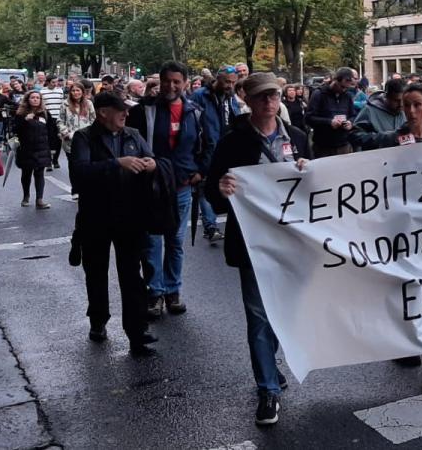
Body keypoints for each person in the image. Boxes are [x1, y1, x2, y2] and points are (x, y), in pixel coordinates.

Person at [208, 73, 311, 426]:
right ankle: (267, 388)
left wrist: (307, 172)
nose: (269, 102)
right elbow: (211, 189)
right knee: (258, 316)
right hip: (253, 243)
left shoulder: (296, 138)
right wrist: (221, 188)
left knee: (285, 313)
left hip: (292, 242)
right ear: (248, 101)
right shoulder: (233, 141)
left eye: (274, 95)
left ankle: (271, 362)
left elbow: (316, 187)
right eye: (262, 96)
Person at [371, 83, 422, 387]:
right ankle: (413, 347)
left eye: (418, 104)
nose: (412, 111)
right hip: (403, 230)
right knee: (407, 290)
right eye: (407, 105)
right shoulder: (394, 140)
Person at [70, 92, 159, 356]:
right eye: (119, 110)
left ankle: (137, 332)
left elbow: (152, 159)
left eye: (126, 109)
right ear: (102, 112)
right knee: (96, 272)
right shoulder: (84, 137)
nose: (125, 114)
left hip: (130, 216)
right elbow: (79, 173)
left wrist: (152, 164)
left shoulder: (133, 134)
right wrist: (116, 164)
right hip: (95, 216)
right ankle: (98, 319)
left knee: (132, 275)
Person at [128, 61, 213, 318]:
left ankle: (173, 291)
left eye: (177, 81)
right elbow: (130, 140)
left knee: (175, 241)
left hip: (183, 186)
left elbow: (209, 144)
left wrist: (200, 172)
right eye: (167, 81)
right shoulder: (146, 111)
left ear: (185, 83)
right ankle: (154, 292)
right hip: (152, 186)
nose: (172, 86)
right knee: (152, 241)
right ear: (160, 82)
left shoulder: (195, 112)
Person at [191, 66, 242, 241]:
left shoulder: (230, 97)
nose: (230, 85)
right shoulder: (200, 96)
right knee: (206, 187)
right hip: (206, 149)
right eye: (227, 81)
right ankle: (210, 226)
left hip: (226, 149)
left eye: (233, 82)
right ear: (217, 79)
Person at [13, 91, 52, 209]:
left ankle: (39, 199)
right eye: (33, 98)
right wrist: (25, 120)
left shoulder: (45, 113)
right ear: (28, 99)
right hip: (26, 148)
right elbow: (15, 129)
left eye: (37, 98)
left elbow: (51, 130)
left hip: (42, 148)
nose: (35, 100)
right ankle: (26, 196)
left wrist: (53, 147)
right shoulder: (21, 114)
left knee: (40, 173)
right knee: (26, 173)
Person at [306, 67, 357, 158]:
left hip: (343, 145)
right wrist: (329, 122)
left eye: (347, 88)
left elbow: (353, 115)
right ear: (335, 80)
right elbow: (309, 118)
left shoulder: (347, 96)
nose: (344, 90)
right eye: (342, 86)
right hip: (323, 147)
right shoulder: (319, 94)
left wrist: (350, 123)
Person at [350, 78, 406, 150]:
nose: (401, 104)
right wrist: (383, 138)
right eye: (396, 100)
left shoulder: (408, 110)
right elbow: (354, 136)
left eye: (404, 100)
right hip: (377, 158)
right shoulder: (369, 110)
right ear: (386, 96)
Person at [41, 76, 66, 170]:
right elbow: (42, 105)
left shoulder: (60, 91)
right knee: (48, 140)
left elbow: (62, 105)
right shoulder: (42, 92)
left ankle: (55, 160)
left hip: (58, 118)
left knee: (58, 139)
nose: (55, 84)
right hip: (48, 118)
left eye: (56, 82)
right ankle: (48, 161)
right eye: (53, 82)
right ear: (47, 82)